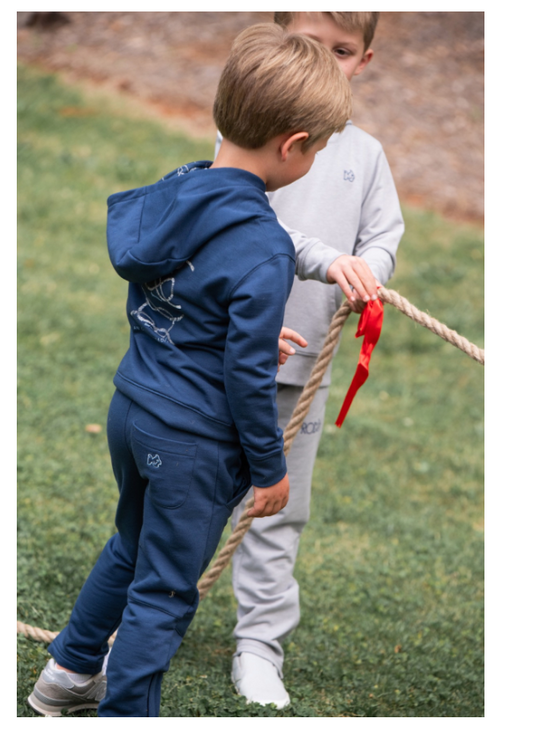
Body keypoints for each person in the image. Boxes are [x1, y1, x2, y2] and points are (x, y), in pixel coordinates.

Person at [26, 23, 353, 718]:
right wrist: (269, 468)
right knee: (165, 589)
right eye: (319, 148)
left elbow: (166, 294)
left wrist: (240, 334)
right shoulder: (263, 245)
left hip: (132, 407)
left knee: (132, 543)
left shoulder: (177, 190)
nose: (316, 158)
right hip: (191, 442)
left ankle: (66, 676)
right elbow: (242, 380)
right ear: (294, 146)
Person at [226, 12, 405, 709]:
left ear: (363, 59)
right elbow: (246, 221)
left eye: (340, 51)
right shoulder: (240, 134)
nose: (324, 62)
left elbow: (383, 233)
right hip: (225, 356)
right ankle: (146, 618)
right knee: (187, 498)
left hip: (300, 375)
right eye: (307, 44)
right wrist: (325, 258)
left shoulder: (366, 155)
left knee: (276, 510)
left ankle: (259, 647)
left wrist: (366, 267)